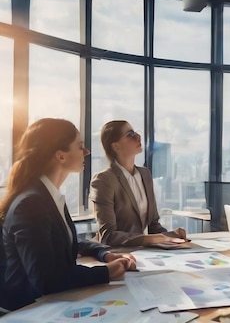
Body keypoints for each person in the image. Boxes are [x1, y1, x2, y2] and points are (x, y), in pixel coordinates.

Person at [0, 118, 135, 311]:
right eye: (80, 146)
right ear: (60, 156)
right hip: (26, 310)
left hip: (48, 302)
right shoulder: (30, 204)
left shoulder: (48, 195)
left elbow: (63, 241)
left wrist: (103, 253)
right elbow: (46, 280)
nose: (86, 152)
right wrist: (104, 273)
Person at [90, 120, 186, 246]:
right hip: (119, 256)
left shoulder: (145, 174)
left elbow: (153, 226)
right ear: (115, 146)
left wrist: (172, 235)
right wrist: (150, 239)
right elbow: (108, 236)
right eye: (130, 134)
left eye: (135, 132)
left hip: (146, 254)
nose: (138, 137)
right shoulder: (104, 180)